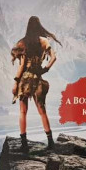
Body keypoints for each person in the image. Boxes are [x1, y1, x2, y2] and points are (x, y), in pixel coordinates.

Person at [11, 16, 61, 152]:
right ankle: (50, 142)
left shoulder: (22, 43)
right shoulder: (44, 41)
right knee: (42, 111)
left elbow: (21, 66)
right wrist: (45, 69)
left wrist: (15, 82)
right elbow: (54, 57)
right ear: (39, 26)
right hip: (38, 78)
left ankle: (24, 145)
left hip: (25, 80)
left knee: (23, 112)